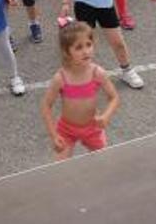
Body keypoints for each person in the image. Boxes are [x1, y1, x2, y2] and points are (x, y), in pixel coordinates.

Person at [41, 21, 120, 160]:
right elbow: (46, 106)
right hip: (66, 130)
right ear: (66, 52)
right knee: (59, 169)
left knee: (103, 164)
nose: (86, 51)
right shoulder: (61, 78)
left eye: (89, 44)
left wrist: (106, 116)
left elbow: (114, 97)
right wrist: (54, 135)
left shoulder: (98, 73)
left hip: (92, 128)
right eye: (78, 47)